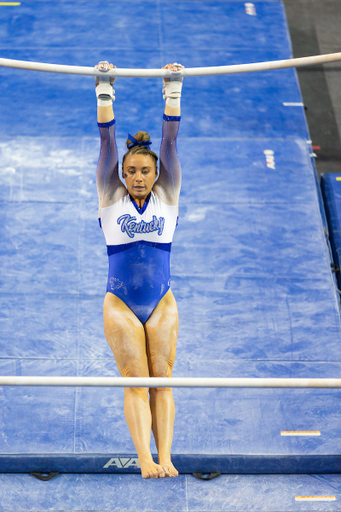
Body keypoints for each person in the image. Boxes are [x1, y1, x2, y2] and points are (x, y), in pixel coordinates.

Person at [95, 61, 184, 479]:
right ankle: (144, 459)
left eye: (144, 171)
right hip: (121, 304)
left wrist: (173, 89)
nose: (137, 177)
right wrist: (104, 89)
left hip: (162, 301)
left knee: (162, 379)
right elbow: (107, 143)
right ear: (122, 174)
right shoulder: (111, 193)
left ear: (156, 174)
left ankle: (165, 456)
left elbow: (170, 143)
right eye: (130, 171)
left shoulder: (168, 191)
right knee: (136, 379)